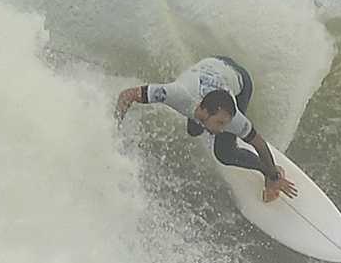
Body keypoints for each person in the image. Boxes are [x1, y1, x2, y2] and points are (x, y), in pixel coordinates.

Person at [115, 56, 299, 202]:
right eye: (220, 123)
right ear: (203, 110)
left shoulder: (231, 117)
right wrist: (116, 126)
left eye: (225, 124)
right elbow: (127, 95)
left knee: (225, 154)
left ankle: (266, 171)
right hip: (215, 64)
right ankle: (202, 126)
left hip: (239, 81)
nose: (223, 128)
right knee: (193, 131)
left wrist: (272, 174)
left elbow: (257, 141)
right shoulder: (176, 93)